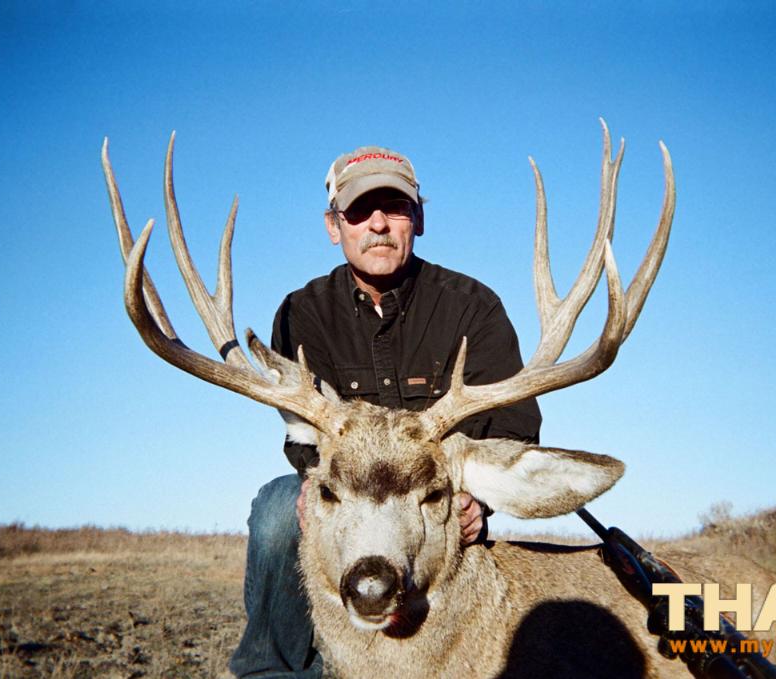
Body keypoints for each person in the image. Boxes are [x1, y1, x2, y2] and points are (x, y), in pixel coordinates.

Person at [228, 146, 542, 678]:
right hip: (349, 495)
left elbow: (513, 425)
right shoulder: (304, 312)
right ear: (334, 226)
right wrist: (313, 483)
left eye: (395, 208)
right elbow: (304, 434)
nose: (378, 224)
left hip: (437, 503)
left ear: (418, 220)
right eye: (358, 211)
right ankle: (272, 670)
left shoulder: (471, 306)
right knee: (279, 512)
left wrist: (477, 501)